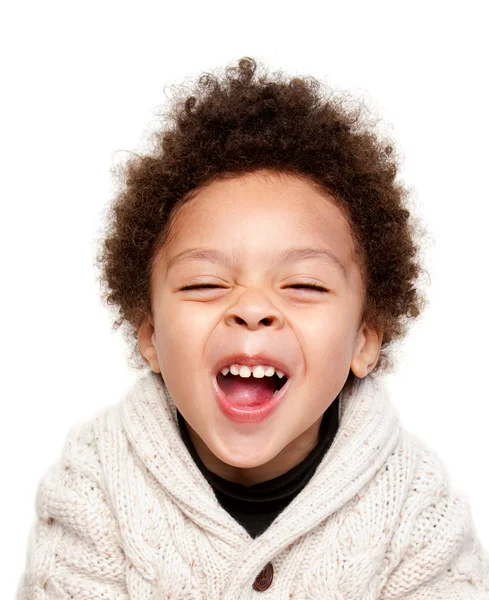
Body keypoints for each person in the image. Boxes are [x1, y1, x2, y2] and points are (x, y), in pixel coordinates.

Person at [16, 57, 489, 599]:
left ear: (365, 339)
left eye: (305, 285)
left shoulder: (416, 512)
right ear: (149, 335)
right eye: (203, 283)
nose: (253, 308)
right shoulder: (92, 489)